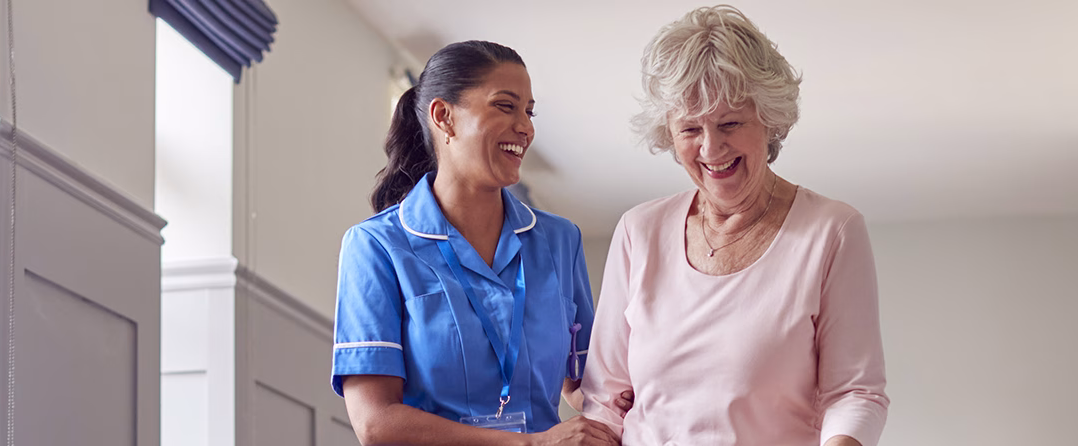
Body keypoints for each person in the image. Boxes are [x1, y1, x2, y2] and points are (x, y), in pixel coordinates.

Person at [579, 6, 891, 445]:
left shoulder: (831, 231)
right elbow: (605, 400)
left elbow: (854, 393)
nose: (711, 147)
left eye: (729, 123)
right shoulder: (639, 230)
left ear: (770, 120)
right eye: (690, 128)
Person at [333, 40, 626, 446]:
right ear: (444, 117)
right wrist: (529, 444)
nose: (525, 127)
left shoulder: (561, 240)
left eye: (529, 111)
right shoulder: (376, 247)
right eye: (505, 106)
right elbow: (376, 423)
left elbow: (582, 383)